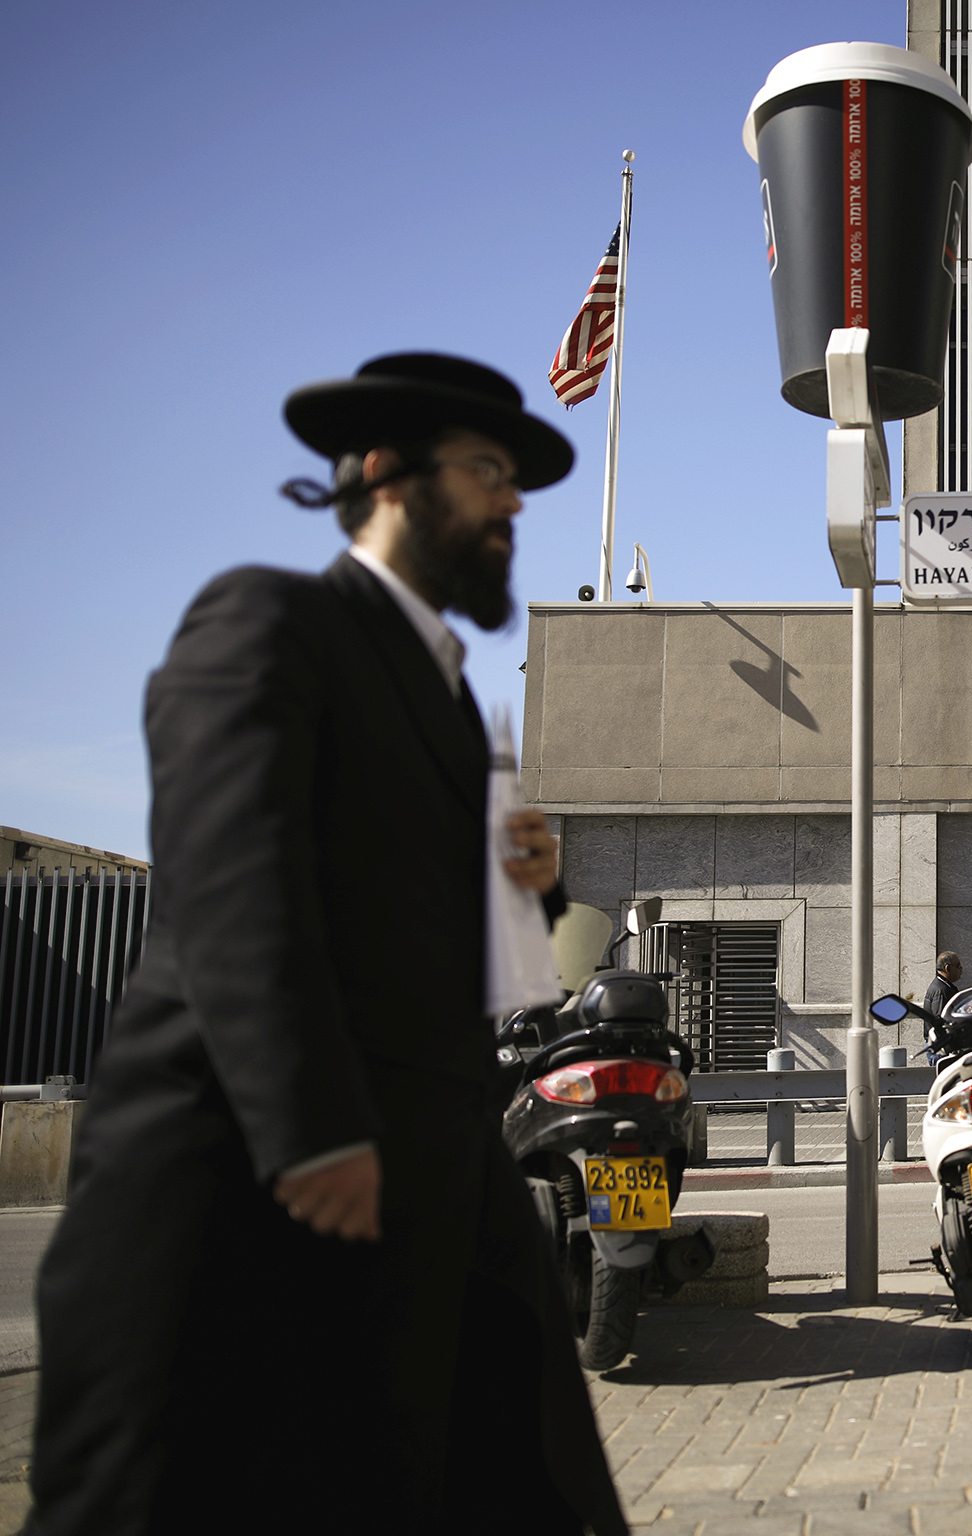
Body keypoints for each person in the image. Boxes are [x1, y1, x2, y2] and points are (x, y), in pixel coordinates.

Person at [29, 354, 627, 1536]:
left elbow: (444, 949)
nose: (513, 505)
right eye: (488, 472)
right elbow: (230, 877)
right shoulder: (269, 618)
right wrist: (309, 1132)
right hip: (250, 1192)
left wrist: (534, 898)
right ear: (382, 473)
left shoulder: (454, 698)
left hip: (440, 1187)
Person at [924, 950, 964, 1016]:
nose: (961, 969)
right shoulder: (941, 991)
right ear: (948, 968)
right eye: (958, 966)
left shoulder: (943, 986)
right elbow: (941, 1020)